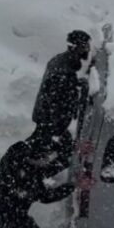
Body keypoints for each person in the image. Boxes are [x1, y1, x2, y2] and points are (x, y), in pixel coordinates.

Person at [31, 29, 92, 166]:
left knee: (46, 145)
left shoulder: (63, 61)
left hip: (48, 115)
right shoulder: (65, 65)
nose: (87, 50)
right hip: (49, 117)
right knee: (41, 149)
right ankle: (30, 173)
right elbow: (57, 93)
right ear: (76, 46)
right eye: (85, 46)